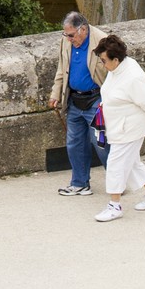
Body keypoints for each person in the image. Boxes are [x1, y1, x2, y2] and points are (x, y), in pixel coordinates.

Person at [92, 33, 145, 220]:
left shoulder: (132, 77)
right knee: (132, 163)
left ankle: (115, 205)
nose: (103, 64)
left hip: (129, 129)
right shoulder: (118, 68)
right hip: (119, 126)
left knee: (115, 164)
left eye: (104, 61)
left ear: (116, 59)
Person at [48, 12, 102, 198]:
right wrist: (56, 93)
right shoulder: (66, 41)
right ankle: (80, 183)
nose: (69, 39)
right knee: (74, 143)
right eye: (66, 35)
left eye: (71, 35)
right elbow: (61, 69)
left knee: (101, 143)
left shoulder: (102, 41)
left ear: (83, 29)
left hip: (96, 100)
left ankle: (118, 181)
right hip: (74, 100)